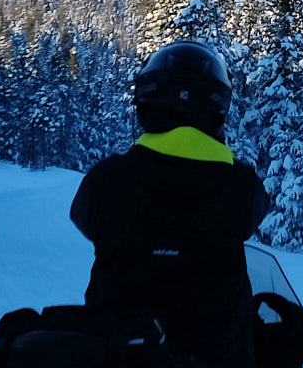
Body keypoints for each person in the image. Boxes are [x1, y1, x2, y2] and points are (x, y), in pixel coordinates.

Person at [70, 40, 269, 368]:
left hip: (120, 355)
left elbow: (85, 218)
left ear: (147, 103)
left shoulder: (107, 179)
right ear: (217, 108)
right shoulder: (243, 186)